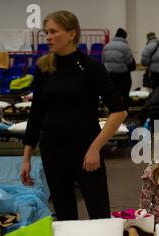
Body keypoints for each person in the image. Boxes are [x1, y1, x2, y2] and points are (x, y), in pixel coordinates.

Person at [21, 11, 127, 221]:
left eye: (53, 32)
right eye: (46, 32)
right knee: (65, 214)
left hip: (86, 151)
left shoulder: (91, 67)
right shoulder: (44, 68)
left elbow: (119, 111)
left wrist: (95, 148)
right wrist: (26, 158)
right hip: (52, 151)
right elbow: (36, 114)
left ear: (71, 34)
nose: (48, 37)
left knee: (99, 214)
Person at [103, 27, 135, 108]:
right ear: (124, 37)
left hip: (109, 74)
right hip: (122, 75)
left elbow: (103, 60)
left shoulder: (107, 46)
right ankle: (124, 113)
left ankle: (113, 112)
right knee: (124, 95)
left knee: (112, 94)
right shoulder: (125, 47)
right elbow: (129, 62)